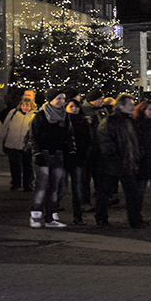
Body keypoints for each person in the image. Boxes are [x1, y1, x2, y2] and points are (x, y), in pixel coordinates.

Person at [94, 94, 141, 227]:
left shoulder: (130, 121)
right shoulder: (111, 121)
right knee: (105, 192)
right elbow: (105, 143)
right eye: (130, 104)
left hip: (127, 162)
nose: (133, 106)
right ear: (121, 106)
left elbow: (134, 143)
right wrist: (115, 159)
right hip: (113, 164)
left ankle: (135, 219)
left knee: (132, 193)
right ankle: (101, 218)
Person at [28, 91, 73, 229]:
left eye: (63, 98)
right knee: (41, 186)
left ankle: (51, 217)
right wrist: (37, 153)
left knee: (55, 188)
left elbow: (68, 135)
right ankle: (36, 216)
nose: (61, 101)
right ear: (51, 100)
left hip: (58, 154)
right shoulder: (41, 116)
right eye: (58, 98)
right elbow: (33, 136)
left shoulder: (64, 117)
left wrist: (70, 151)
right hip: (44, 153)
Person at [64, 96, 92, 225]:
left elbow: (88, 140)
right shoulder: (61, 121)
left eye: (76, 106)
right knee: (61, 187)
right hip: (64, 158)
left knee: (78, 188)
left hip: (79, 158)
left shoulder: (84, 121)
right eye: (71, 107)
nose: (74, 109)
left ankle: (78, 216)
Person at [1, 92, 37, 191]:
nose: (25, 107)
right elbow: (5, 126)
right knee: (14, 165)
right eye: (23, 105)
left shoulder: (34, 115)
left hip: (27, 145)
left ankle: (27, 184)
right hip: (12, 143)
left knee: (27, 165)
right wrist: (3, 138)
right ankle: (16, 183)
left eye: (28, 105)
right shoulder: (13, 113)